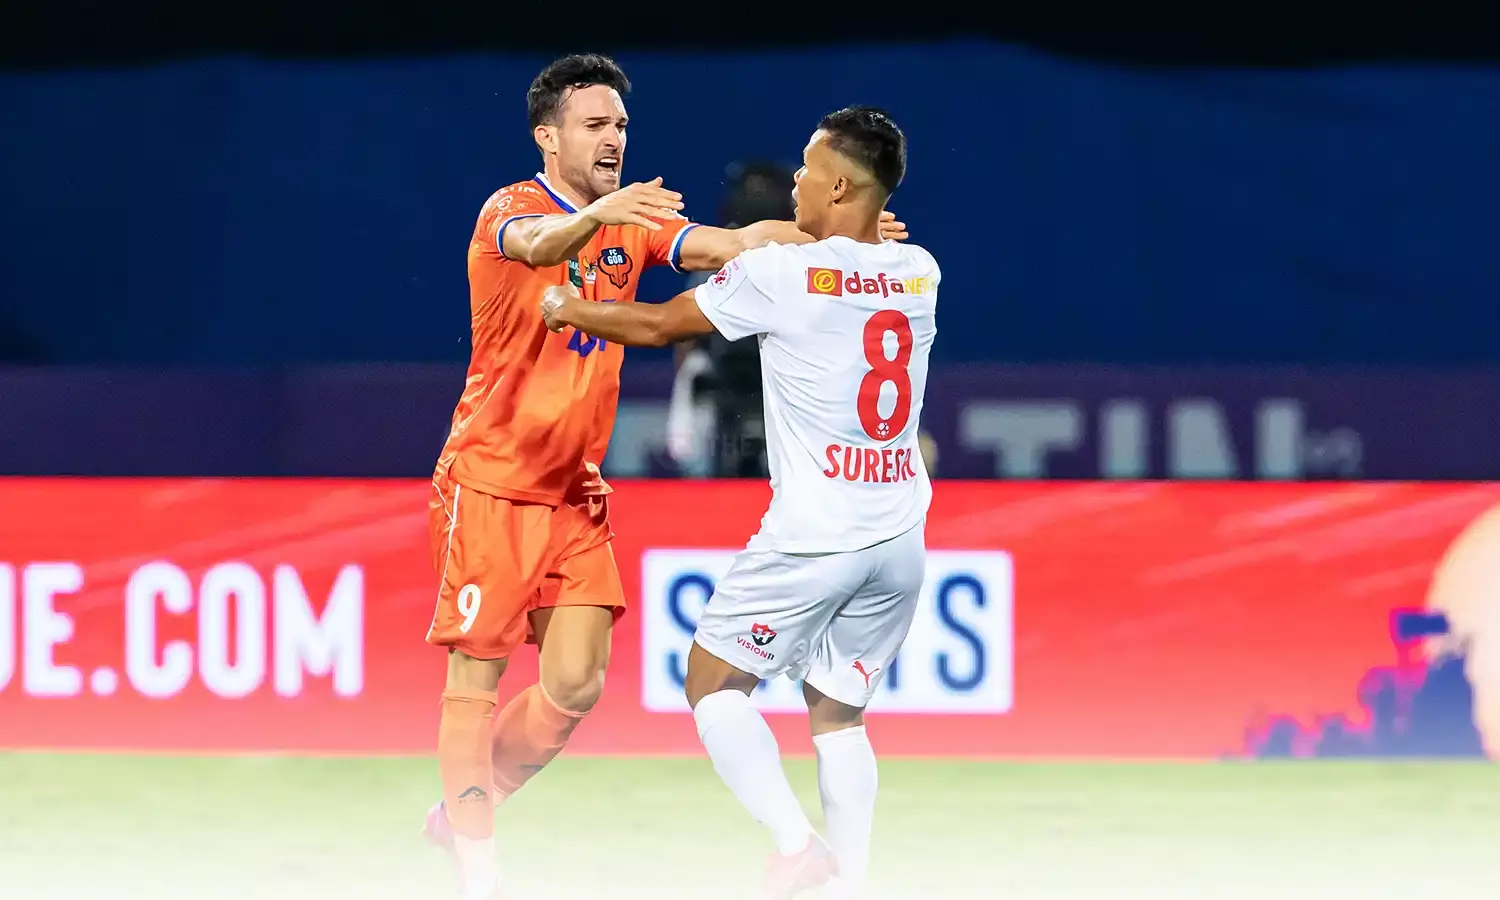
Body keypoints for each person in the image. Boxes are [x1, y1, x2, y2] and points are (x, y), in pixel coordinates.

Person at [421, 53, 908, 900]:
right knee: (477, 675)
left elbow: (737, 243)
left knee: (575, 686)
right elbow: (540, 245)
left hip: (575, 493)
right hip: (491, 481)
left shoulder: (633, 225)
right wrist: (602, 212)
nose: (613, 138)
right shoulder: (510, 208)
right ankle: (478, 867)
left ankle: (463, 808)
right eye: (594, 125)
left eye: (620, 125)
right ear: (548, 137)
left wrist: (842, 237)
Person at [542, 106, 936, 900]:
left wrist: (565, 307)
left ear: (838, 186)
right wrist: (834, 234)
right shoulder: (921, 270)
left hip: (817, 532)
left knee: (712, 684)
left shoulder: (780, 276)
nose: (794, 183)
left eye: (806, 169)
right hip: (900, 533)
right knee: (839, 716)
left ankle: (796, 847)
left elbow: (660, 325)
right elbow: (851, 261)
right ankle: (852, 885)